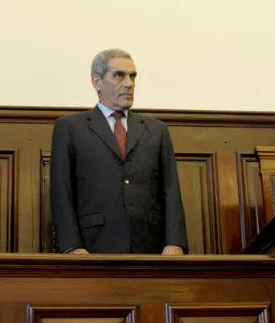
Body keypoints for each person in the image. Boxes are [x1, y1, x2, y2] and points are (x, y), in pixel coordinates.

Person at [50, 49, 187, 254]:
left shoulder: (157, 130)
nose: (129, 83)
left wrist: (174, 242)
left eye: (132, 76)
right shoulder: (70, 128)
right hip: (93, 246)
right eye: (119, 75)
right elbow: (62, 192)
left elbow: (170, 190)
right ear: (97, 82)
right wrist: (72, 247)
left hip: (150, 248)